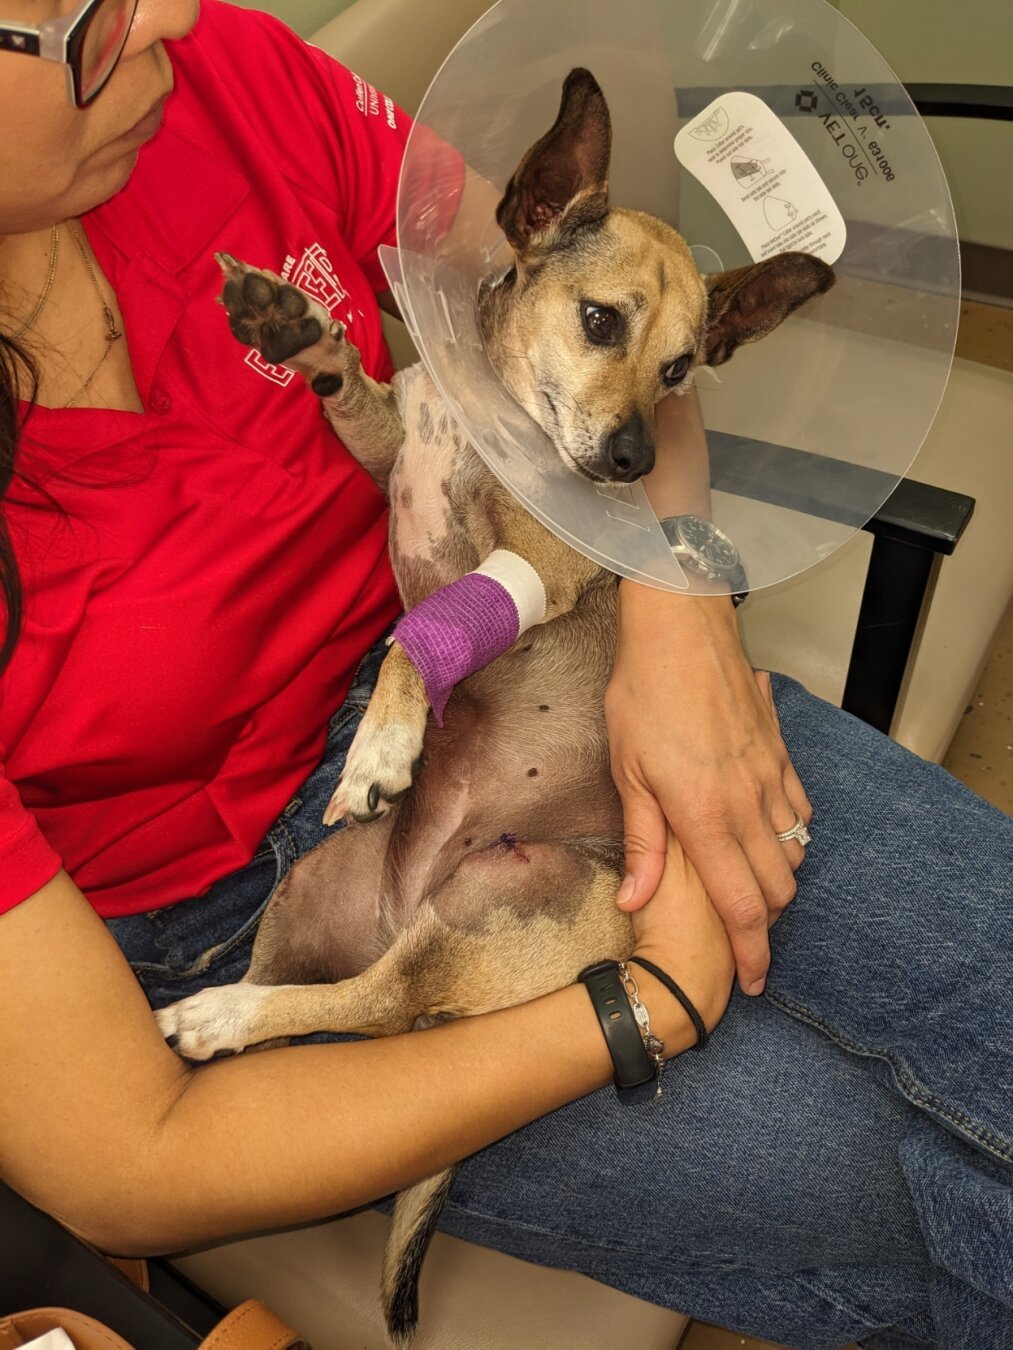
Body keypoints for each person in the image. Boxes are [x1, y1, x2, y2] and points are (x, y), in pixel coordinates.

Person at [0, 3, 1009, 1347]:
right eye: (78, 17)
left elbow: (617, 310)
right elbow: (123, 1155)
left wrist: (675, 607)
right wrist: (644, 1004)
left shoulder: (224, 73)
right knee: (896, 1192)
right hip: (241, 895)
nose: (171, 10)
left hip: (530, 655)